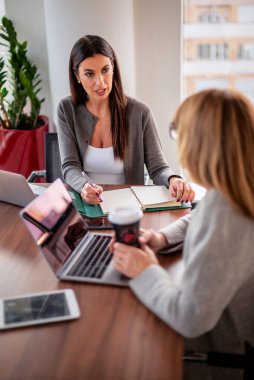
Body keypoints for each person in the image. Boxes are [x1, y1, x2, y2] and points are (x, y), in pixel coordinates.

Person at [111, 88, 254, 379]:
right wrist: (162, 238)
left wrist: (146, 270)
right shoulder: (237, 188)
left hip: (221, 355)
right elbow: (201, 216)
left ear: (201, 145)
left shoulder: (229, 220)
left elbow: (189, 318)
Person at [57, 35, 195, 205]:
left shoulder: (140, 112)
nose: (100, 82)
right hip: (85, 204)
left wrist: (173, 179)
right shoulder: (66, 109)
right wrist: (84, 186)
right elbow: (70, 166)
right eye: (89, 74)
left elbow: (158, 168)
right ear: (77, 75)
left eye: (105, 70)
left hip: (129, 206)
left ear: (113, 68)